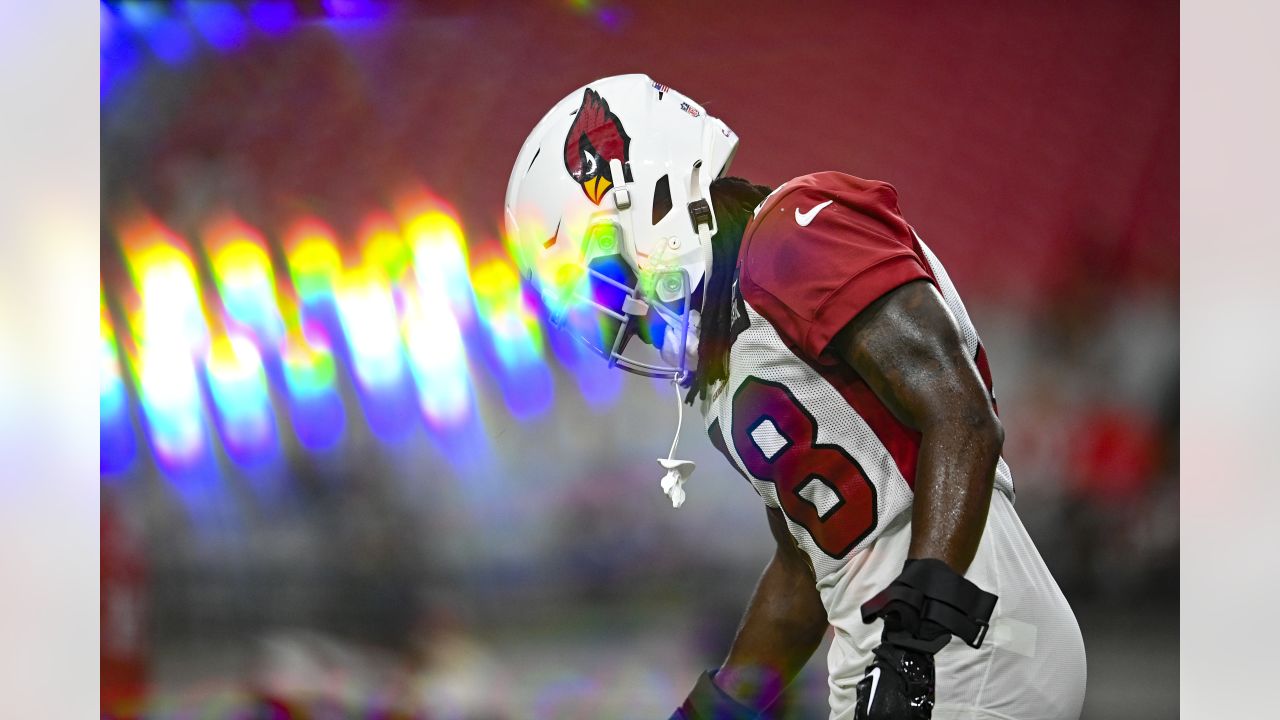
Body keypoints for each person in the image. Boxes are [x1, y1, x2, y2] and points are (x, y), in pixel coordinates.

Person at [504, 74, 1086, 720]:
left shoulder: (797, 235)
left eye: (602, 274)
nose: (610, 317)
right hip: (893, 656)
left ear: (650, 205)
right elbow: (805, 568)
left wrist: (913, 643)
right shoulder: (727, 347)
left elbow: (961, 416)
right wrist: (719, 707)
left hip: (966, 643)